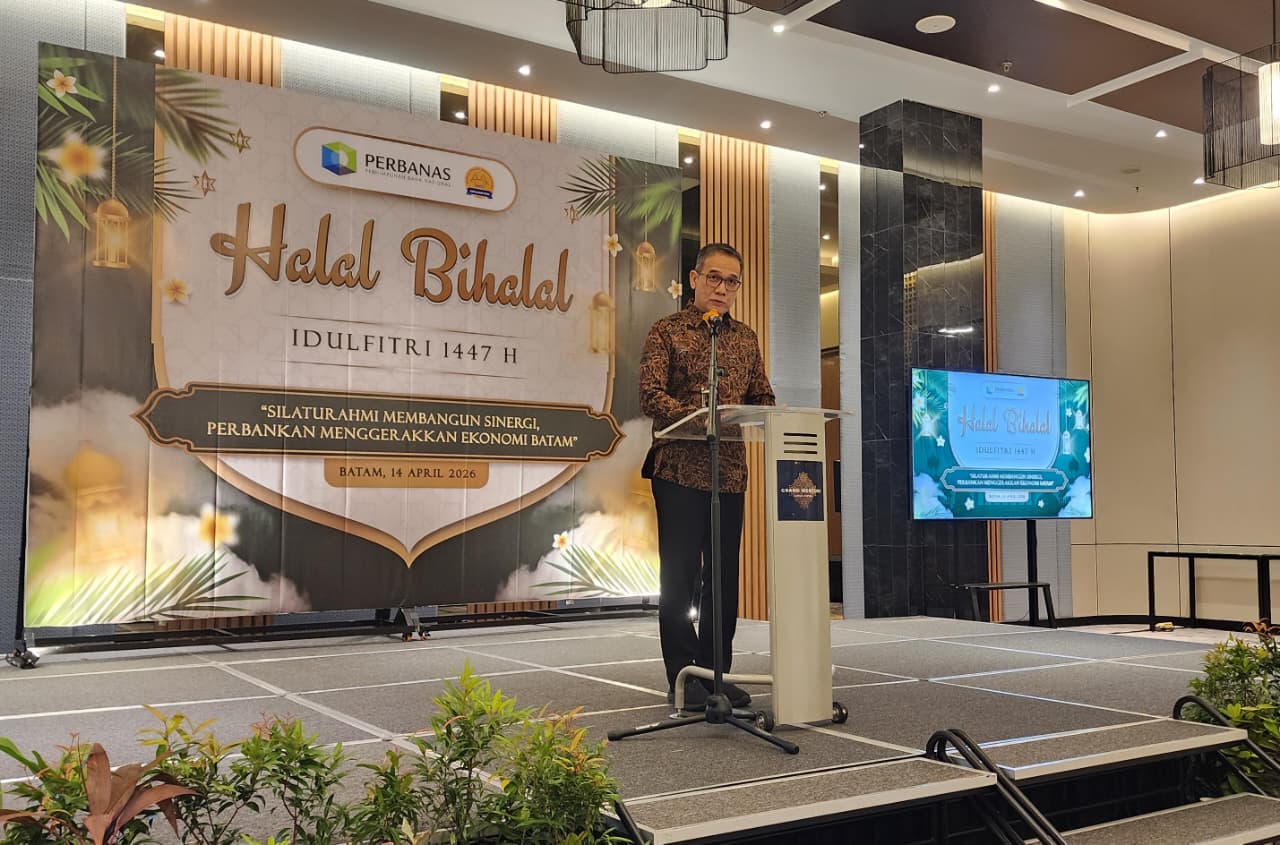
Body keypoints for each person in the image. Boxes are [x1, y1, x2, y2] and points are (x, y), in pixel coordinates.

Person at [638, 242, 775, 712]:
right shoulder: (667, 331)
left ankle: (717, 672)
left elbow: (763, 396)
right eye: (714, 277)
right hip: (677, 470)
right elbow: (651, 395)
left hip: (728, 474)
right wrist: (700, 418)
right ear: (695, 279)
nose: (722, 288)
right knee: (679, 578)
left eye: (731, 281)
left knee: (723, 579)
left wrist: (756, 414)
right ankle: (683, 676)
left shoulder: (746, 339)